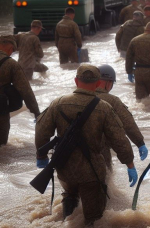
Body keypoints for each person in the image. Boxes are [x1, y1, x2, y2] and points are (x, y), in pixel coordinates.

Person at [35, 65, 136, 224]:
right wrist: (129, 163)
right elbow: (119, 139)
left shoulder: (58, 103)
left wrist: (41, 156)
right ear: (97, 84)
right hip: (92, 172)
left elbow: (41, 131)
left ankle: (66, 220)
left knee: (69, 197)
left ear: (76, 80)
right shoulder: (104, 107)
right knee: (93, 218)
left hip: (64, 168)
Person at [96, 64, 148, 169]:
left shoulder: (73, 100)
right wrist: (140, 142)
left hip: (73, 155)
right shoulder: (112, 101)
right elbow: (127, 124)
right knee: (104, 181)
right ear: (108, 82)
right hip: (101, 152)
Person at [0, 35, 40, 145]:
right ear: (10, 48)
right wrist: (36, 112)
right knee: (2, 149)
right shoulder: (10, 64)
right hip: (1, 112)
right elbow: (25, 90)